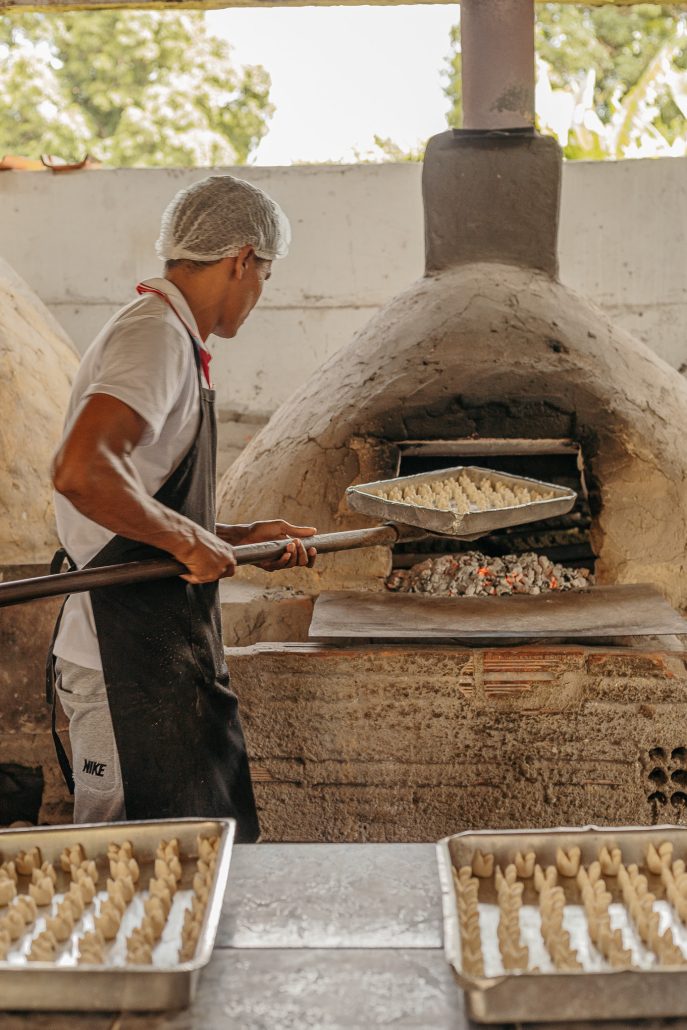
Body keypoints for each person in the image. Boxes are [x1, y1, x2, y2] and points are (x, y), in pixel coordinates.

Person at [48, 175, 316, 842]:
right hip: (120, 663)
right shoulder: (154, 339)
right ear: (241, 260)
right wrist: (185, 539)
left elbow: (134, 497)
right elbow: (82, 472)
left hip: (160, 651)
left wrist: (236, 537)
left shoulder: (170, 338)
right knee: (117, 871)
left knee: (184, 861)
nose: (259, 294)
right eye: (265, 276)